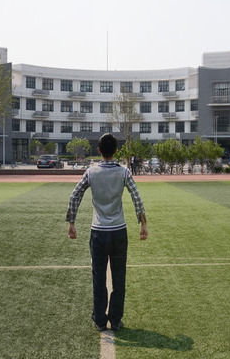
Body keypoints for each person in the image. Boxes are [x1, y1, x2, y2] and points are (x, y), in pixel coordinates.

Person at [66, 134, 151, 332]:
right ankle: (116, 319)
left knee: (99, 278)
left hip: (98, 232)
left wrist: (72, 222)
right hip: (119, 231)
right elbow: (136, 198)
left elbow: (75, 195)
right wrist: (143, 224)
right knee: (119, 278)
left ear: (99, 151)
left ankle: (100, 320)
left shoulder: (91, 172)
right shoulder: (124, 172)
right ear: (116, 151)